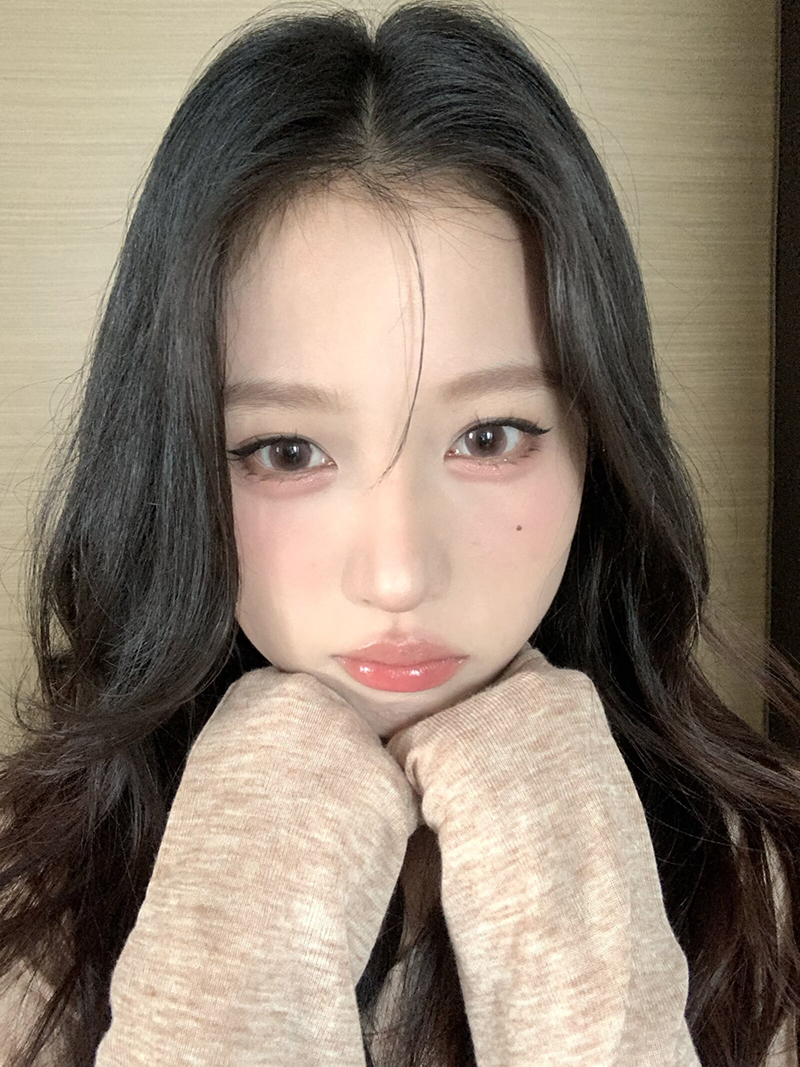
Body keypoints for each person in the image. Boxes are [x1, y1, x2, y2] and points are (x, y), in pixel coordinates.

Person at [0, 1, 798, 1064]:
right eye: (287, 450)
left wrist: (582, 973)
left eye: (489, 435)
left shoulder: (760, 902)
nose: (397, 572)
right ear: (172, 461)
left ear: (597, 444)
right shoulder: (32, 908)